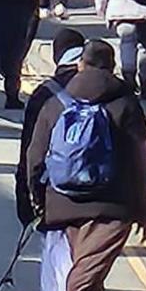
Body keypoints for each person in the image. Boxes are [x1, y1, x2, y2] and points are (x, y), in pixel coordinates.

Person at [27, 39, 146, 291]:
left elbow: (35, 155)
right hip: (113, 204)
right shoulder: (125, 102)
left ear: (81, 64)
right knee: (91, 266)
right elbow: (143, 160)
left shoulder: (58, 100)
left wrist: (38, 197)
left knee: (89, 266)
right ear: (111, 67)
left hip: (64, 199)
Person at [18, 29, 86, 227]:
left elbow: (31, 150)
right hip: (103, 197)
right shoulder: (115, 92)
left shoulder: (46, 94)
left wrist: (26, 194)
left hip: (56, 194)